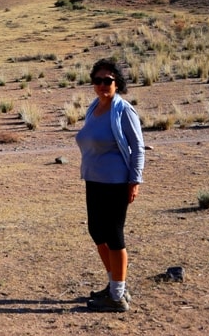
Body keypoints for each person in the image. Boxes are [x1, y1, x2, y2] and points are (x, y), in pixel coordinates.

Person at [75, 58, 145, 312]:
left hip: (116, 182)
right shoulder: (94, 107)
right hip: (93, 180)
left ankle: (117, 296)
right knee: (97, 232)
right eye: (98, 80)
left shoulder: (123, 110)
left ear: (117, 83)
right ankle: (115, 284)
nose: (103, 84)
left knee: (114, 236)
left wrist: (135, 180)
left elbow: (137, 147)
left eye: (108, 80)